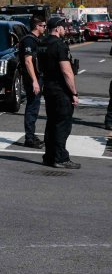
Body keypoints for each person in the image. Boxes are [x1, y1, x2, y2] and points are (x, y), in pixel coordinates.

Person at [39, 17, 80, 169]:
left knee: (51, 123)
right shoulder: (59, 45)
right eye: (63, 26)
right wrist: (74, 93)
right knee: (63, 125)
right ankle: (61, 158)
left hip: (48, 87)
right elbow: (67, 71)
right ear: (57, 28)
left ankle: (49, 156)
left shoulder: (42, 43)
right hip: (60, 89)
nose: (65, 29)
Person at [19, 16, 47, 148]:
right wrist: (35, 81)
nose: (45, 28)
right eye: (43, 26)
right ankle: (29, 138)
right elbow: (28, 61)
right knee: (32, 107)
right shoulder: (29, 41)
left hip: (38, 77)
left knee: (34, 107)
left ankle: (31, 135)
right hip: (32, 78)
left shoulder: (36, 40)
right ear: (37, 26)